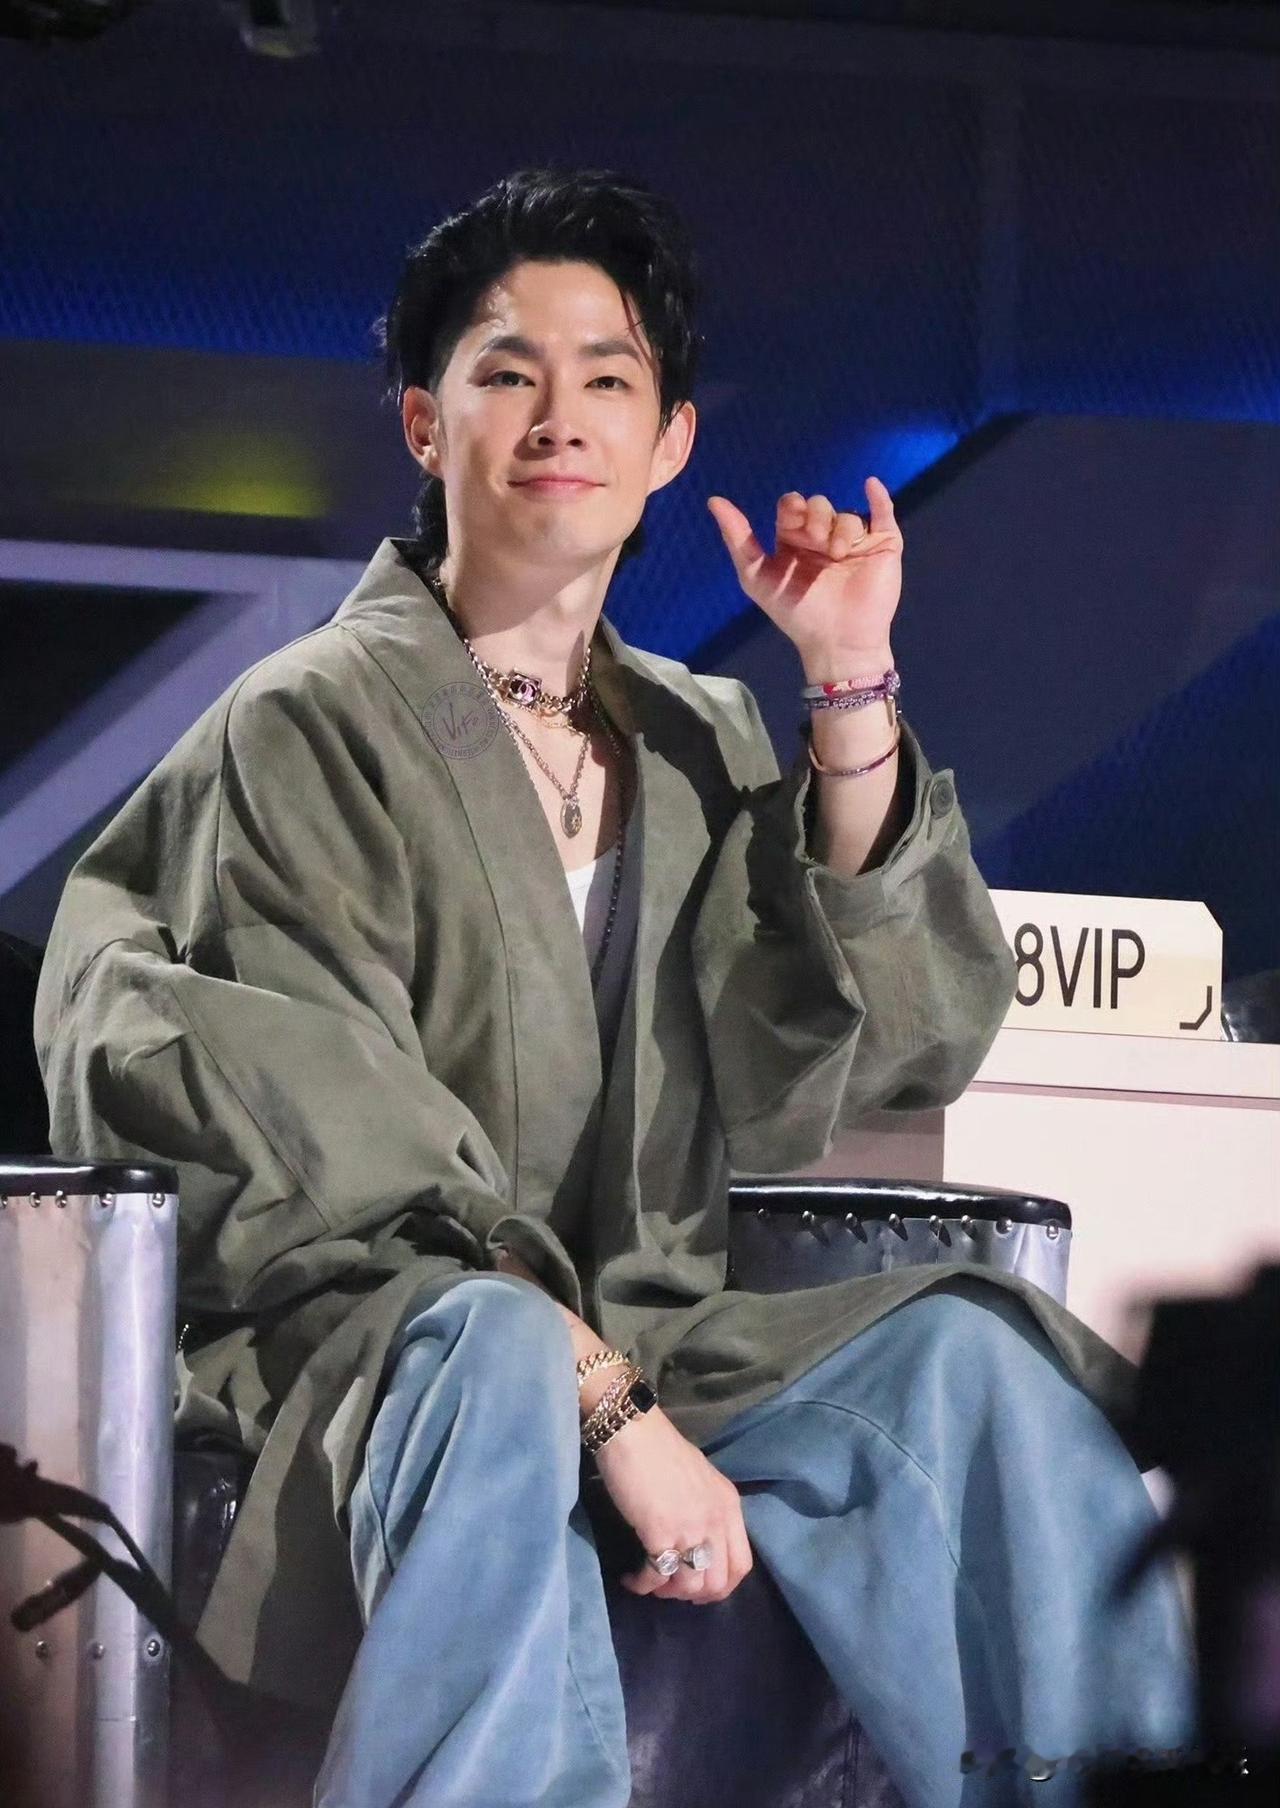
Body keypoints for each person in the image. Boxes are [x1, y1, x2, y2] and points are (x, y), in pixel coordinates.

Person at [33, 167, 1198, 1807]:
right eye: (506, 371)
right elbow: (325, 1162)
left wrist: (847, 682)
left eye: (608, 378)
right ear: (426, 425)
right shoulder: (305, 725)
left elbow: (909, 1037)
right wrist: (603, 1402)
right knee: (499, 1356)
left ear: (669, 444)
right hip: (383, 1345)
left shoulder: (696, 735)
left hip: (660, 1327)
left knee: (974, 1371)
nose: (558, 415)